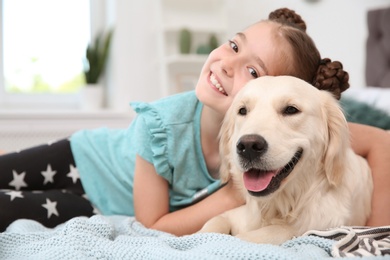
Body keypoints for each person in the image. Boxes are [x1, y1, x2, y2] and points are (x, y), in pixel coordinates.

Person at [0, 8, 389, 235]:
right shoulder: (165, 123)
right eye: (234, 45)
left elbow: (382, 143)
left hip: (96, 208)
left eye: (253, 72)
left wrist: (375, 230)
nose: (227, 62)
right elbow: (152, 222)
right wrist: (233, 193)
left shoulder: (299, 127)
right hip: (83, 158)